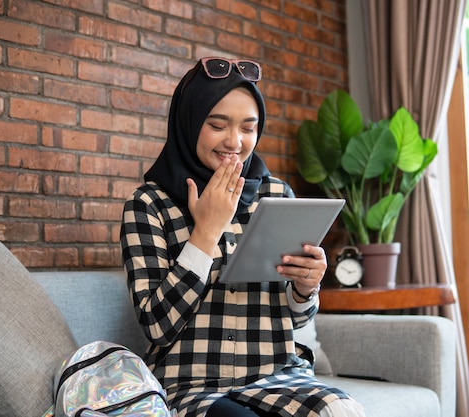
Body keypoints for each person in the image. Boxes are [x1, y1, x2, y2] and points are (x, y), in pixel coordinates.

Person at [120, 57, 365, 417]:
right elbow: (157, 326)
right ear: (189, 124)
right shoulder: (149, 205)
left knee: (344, 411)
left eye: (248, 128)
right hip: (191, 384)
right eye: (217, 125)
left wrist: (306, 287)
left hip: (277, 375)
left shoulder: (278, 196)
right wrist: (205, 232)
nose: (235, 141)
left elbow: (297, 319)